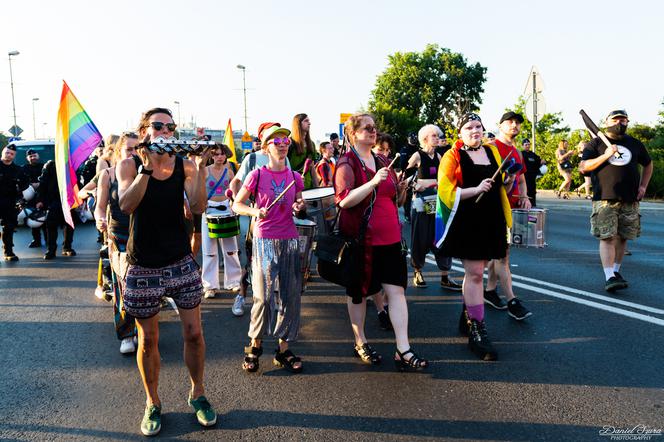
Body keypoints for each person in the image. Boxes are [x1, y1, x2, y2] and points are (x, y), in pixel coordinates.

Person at [116, 107, 216, 436]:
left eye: (170, 127)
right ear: (144, 130)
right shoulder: (129, 164)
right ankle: (153, 402)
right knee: (148, 341)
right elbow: (127, 205)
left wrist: (200, 169)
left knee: (194, 334)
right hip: (143, 262)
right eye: (158, 126)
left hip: (179, 259)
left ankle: (197, 394)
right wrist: (147, 168)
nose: (165, 131)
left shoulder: (183, 164)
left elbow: (199, 206)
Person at [335, 113, 427, 371]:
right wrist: (374, 182)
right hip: (362, 241)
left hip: (391, 239)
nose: (373, 131)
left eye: (374, 127)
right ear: (353, 134)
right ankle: (360, 341)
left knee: (396, 292)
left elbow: (394, 201)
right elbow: (343, 200)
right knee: (359, 294)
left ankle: (403, 348)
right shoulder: (347, 163)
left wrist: (401, 190)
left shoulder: (383, 159)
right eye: (367, 128)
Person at [437, 113, 514, 361]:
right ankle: (477, 330)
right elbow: (446, 191)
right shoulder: (452, 156)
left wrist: (509, 181)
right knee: (475, 274)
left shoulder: (493, 152)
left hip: (491, 220)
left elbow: (500, 186)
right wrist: (475, 189)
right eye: (469, 127)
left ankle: (467, 315)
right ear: (460, 133)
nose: (475, 130)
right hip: (467, 221)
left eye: (478, 126)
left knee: (478, 272)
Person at [232, 124, 306, 374]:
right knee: (262, 298)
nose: (282, 143)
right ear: (266, 147)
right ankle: (255, 345)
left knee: (290, 296)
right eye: (276, 141)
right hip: (264, 240)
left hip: (290, 240)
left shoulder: (296, 177)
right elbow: (237, 205)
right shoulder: (257, 175)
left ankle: (283, 349)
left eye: (285, 139)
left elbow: (298, 205)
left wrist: (298, 207)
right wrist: (255, 211)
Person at [579, 109, 652, 292]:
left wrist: (643, 186)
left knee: (623, 237)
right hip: (605, 198)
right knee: (608, 236)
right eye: (616, 119)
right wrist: (606, 155)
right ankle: (609, 276)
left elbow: (648, 164)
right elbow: (583, 167)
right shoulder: (595, 144)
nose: (620, 122)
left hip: (630, 198)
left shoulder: (634, 143)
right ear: (607, 122)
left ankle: (616, 271)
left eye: (624, 119)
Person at [229, 123, 292, 317]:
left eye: (284, 138)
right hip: (256, 221)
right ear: (264, 139)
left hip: (280, 223)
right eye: (274, 135)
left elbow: (287, 186)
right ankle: (241, 295)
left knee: (274, 266)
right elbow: (236, 182)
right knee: (250, 261)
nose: (281, 141)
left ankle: (269, 302)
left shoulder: (285, 159)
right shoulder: (253, 158)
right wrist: (249, 208)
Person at [483, 111, 532, 321]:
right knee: (502, 255)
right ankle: (512, 300)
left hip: (510, 208)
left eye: (518, 123)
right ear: (500, 125)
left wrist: (525, 196)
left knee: (501, 253)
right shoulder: (490, 148)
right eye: (510, 122)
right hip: (492, 207)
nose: (514, 125)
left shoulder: (517, 152)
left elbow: (520, 179)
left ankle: (490, 290)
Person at [95, 131, 140, 354]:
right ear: (119, 150)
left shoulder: (147, 173)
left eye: (138, 148)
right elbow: (100, 206)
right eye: (129, 149)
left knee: (143, 287)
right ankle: (126, 334)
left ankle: (144, 331)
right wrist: (99, 218)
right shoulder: (108, 175)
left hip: (144, 236)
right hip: (119, 237)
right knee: (123, 287)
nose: (134, 153)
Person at [407, 124, 462, 291]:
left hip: (437, 203)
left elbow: (444, 178)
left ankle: (445, 277)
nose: (438, 138)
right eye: (434, 136)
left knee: (442, 238)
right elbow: (405, 177)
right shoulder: (417, 155)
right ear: (425, 139)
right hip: (421, 204)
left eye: (438, 136)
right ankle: (418, 272)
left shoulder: (439, 156)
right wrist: (416, 185)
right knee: (420, 238)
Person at [201, 144, 242, 298]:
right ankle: (210, 286)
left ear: (226, 155)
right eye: (216, 154)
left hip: (226, 209)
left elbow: (236, 192)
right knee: (209, 250)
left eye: (222, 154)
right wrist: (201, 203)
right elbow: (199, 189)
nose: (219, 156)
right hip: (209, 210)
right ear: (211, 156)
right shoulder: (205, 171)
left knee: (231, 248)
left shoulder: (230, 172)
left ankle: (234, 282)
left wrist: (233, 202)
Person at [35, 160, 76, 260]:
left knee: (69, 224)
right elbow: (43, 183)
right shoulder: (50, 165)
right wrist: (40, 200)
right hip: (54, 200)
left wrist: (79, 200)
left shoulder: (72, 164)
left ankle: (67, 247)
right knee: (51, 225)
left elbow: (77, 182)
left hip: (69, 200)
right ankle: (51, 250)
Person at [0, 144, 29, 261]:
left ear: (14, 156)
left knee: (9, 227)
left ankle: (8, 252)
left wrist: (20, 199)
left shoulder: (18, 170)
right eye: (7, 153)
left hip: (10, 202)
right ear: (2, 153)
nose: (9, 155)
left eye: (11, 154)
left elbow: (24, 184)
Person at [21, 149, 45, 247]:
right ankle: (36, 240)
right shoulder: (23, 168)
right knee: (33, 218)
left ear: (38, 156)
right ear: (27, 158)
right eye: (30, 156)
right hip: (30, 198)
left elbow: (49, 179)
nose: (33, 158)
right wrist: (31, 185)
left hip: (43, 196)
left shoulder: (44, 167)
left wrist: (40, 184)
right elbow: (21, 182)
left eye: (34, 156)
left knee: (46, 219)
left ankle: (49, 239)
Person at [288, 113, 317, 189]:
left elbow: (312, 169)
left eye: (309, 121)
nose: (309, 123)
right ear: (298, 124)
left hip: (309, 188)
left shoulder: (312, 144)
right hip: (293, 187)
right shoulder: (289, 143)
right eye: (306, 121)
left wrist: (317, 188)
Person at [399, 132, 419, 222]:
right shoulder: (405, 149)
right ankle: (407, 214)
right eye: (412, 137)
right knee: (408, 195)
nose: (413, 139)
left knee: (418, 194)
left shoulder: (418, 149)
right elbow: (403, 164)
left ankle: (419, 214)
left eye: (415, 137)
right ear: (408, 138)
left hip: (418, 174)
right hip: (408, 174)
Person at [520, 138, 545, 206]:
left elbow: (538, 162)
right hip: (524, 176)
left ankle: (533, 204)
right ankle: (524, 204)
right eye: (526, 144)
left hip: (532, 176)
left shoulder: (533, 154)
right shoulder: (521, 154)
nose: (527, 146)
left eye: (528, 144)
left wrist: (542, 162)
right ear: (522, 146)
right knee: (525, 190)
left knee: (532, 191)